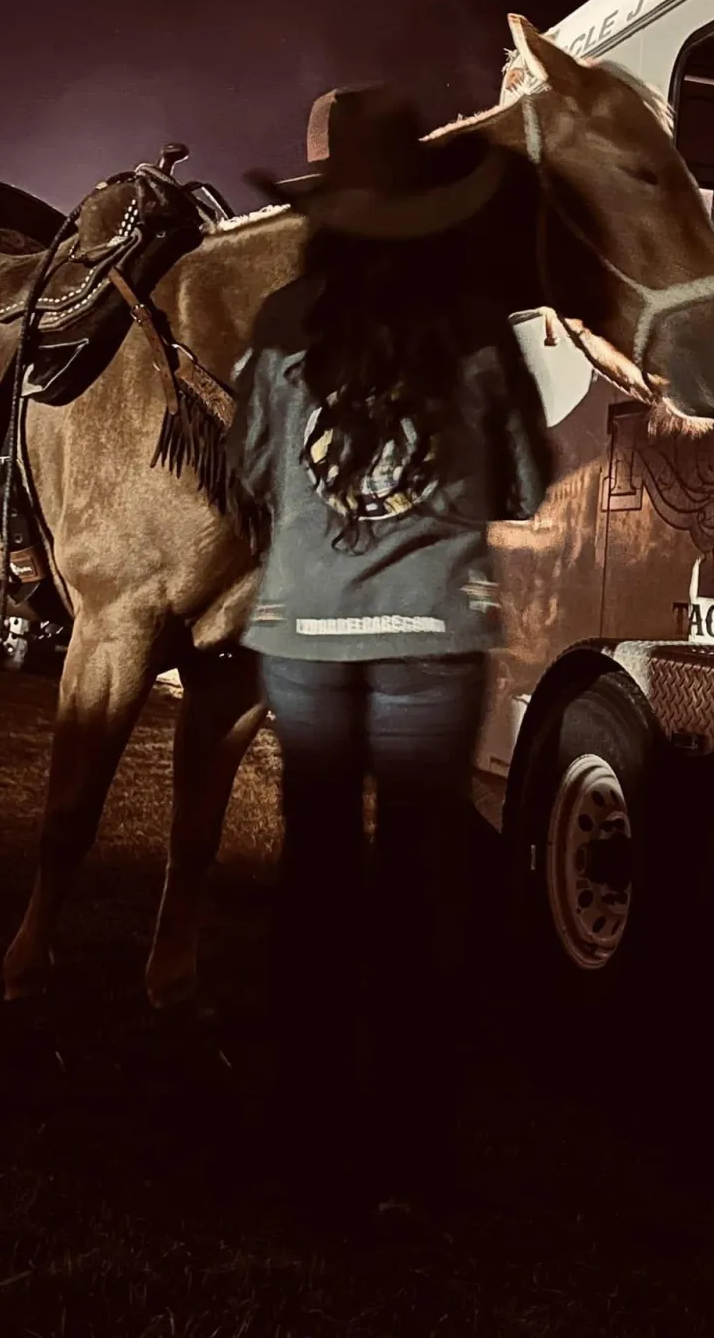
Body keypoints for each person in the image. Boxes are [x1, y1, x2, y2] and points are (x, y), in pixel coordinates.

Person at [226, 83, 555, 1229]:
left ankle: (307, 1136)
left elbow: (253, 471)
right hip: (432, 633)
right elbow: (522, 485)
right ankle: (413, 1160)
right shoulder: (473, 326)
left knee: (317, 876)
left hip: (306, 636)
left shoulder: (279, 324)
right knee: (422, 888)